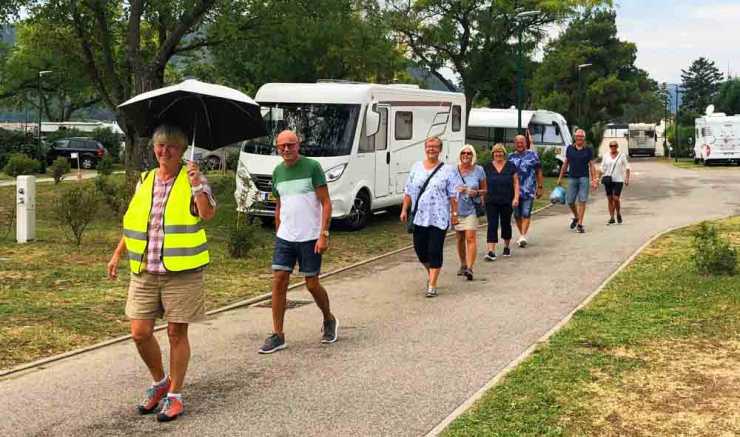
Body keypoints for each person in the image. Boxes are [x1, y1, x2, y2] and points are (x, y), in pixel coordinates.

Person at [107, 124, 216, 422]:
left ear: (182, 151)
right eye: (160, 145)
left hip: (181, 270)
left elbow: (207, 215)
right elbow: (136, 221)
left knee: (175, 333)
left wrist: (197, 186)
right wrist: (118, 253)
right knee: (139, 333)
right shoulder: (146, 179)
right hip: (145, 269)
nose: (164, 151)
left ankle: (175, 395)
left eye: (171, 146)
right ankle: (160, 382)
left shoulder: (195, 178)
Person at [259, 130, 337, 354]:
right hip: (285, 237)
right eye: (282, 146)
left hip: (310, 236)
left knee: (311, 284)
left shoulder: (312, 167)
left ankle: (328, 319)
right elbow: (279, 204)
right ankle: (278, 334)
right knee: (279, 281)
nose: (286, 149)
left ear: (298, 145)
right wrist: (278, 229)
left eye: (290, 145)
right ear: (277, 148)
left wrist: (324, 233)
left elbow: (326, 202)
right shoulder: (277, 172)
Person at [400, 136, 459, 297]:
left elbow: (453, 195)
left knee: (434, 250)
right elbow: (408, 190)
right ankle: (431, 273)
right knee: (420, 251)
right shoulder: (416, 167)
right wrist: (404, 209)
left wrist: (454, 214)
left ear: (440, 150)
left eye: (435, 147)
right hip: (419, 216)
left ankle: (432, 285)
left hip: (439, 217)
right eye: (429, 146)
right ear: (425, 149)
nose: (431, 149)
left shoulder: (448, 170)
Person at [452, 144, 487, 281]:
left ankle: (470, 268)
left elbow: (485, 190)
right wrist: (457, 190)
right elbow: (447, 189)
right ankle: (463, 263)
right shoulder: (453, 171)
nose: (466, 156)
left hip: (472, 208)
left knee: (470, 237)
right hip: (457, 208)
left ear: (473, 156)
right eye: (463, 153)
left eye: (469, 153)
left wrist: (476, 192)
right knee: (460, 238)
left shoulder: (479, 170)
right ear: (460, 155)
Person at [557, 129, 598, 233]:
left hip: (584, 177)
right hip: (572, 177)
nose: (579, 138)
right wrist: (560, 177)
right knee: (570, 201)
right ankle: (576, 216)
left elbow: (592, 165)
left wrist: (594, 179)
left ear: (584, 138)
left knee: (582, 200)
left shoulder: (588, 150)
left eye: (581, 136)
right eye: (578, 136)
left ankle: (579, 224)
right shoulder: (569, 149)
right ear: (575, 137)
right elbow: (565, 163)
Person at [484, 144, 520, 261]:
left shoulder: (510, 166)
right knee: (492, 224)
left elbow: (516, 183)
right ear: (493, 154)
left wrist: (516, 197)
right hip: (491, 200)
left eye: (500, 152)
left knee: (505, 223)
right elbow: (482, 183)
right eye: (496, 152)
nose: (498, 154)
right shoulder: (487, 167)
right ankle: (491, 251)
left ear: (504, 154)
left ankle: (506, 246)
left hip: (506, 200)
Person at [508, 134, 544, 247]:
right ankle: (522, 234)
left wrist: (540, 187)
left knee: (526, 212)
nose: (519, 144)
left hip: (529, 189)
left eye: (522, 142)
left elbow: (538, 171)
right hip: (514, 191)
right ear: (514, 144)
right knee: (517, 215)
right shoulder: (510, 157)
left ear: (525, 143)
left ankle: (523, 235)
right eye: (517, 142)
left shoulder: (532, 155)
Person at [599, 140, 631, 224]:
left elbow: (627, 167)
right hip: (608, 179)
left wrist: (627, 178)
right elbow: (602, 168)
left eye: (614, 146)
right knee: (610, 199)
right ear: (609, 147)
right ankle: (612, 217)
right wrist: (597, 178)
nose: (613, 147)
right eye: (611, 146)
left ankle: (618, 213)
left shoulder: (622, 155)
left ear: (617, 146)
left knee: (616, 198)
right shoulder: (606, 155)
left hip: (618, 180)